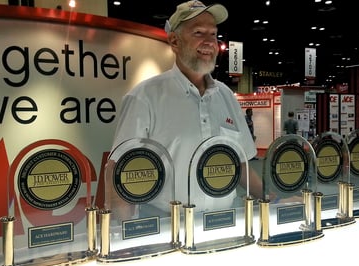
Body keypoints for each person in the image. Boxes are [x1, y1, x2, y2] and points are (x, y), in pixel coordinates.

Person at [107, 1, 263, 218]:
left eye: (213, 34)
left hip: (224, 222)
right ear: (174, 41)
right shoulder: (144, 97)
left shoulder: (226, 96)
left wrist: (269, 200)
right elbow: (119, 170)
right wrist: (121, 233)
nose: (209, 42)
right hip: (166, 226)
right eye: (198, 32)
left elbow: (240, 163)